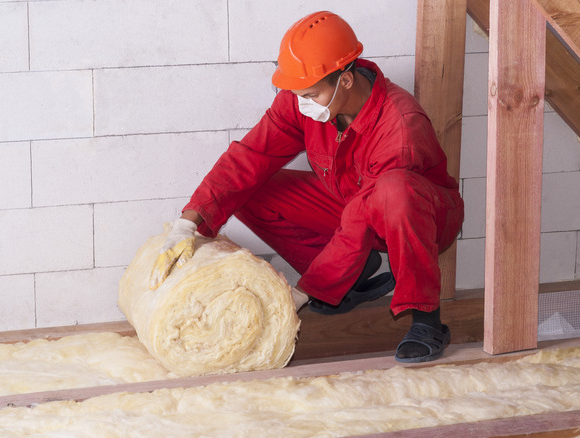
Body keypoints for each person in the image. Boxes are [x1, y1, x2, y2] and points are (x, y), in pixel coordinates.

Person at [149, 11, 464, 363]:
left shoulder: (400, 128)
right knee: (252, 189)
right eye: (297, 93)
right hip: (349, 200)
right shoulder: (305, 101)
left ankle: (427, 321)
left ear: (345, 80)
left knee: (395, 192)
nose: (301, 104)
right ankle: (352, 276)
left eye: (311, 94)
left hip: (414, 216)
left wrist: (305, 292)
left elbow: (365, 216)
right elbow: (251, 156)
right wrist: (188, 222)